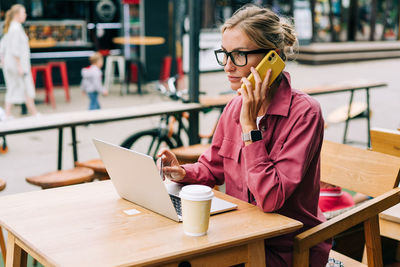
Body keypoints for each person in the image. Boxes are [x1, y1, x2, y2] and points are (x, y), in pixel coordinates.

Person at [158, 4, 331, 266]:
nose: (228, 66)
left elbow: (271, 199)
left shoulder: (304, 113)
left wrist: (250, 128)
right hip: (241, 234)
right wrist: (184, 173)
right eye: (225, 54)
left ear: (271, 58)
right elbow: (213, 166)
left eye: (239, 55)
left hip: (288, 248)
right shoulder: (234, 106)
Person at [0, 4, 38, 118]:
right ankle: (34, 113)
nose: (25, 15)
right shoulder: (16, 28)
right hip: (17, 65)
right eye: (23, 13)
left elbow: (3, 46)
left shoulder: (11, 27)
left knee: (14, 88)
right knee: (25, 87)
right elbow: (15, 49)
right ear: (16, 15)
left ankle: (7, 114)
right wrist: (19, 66)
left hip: (10, 64)